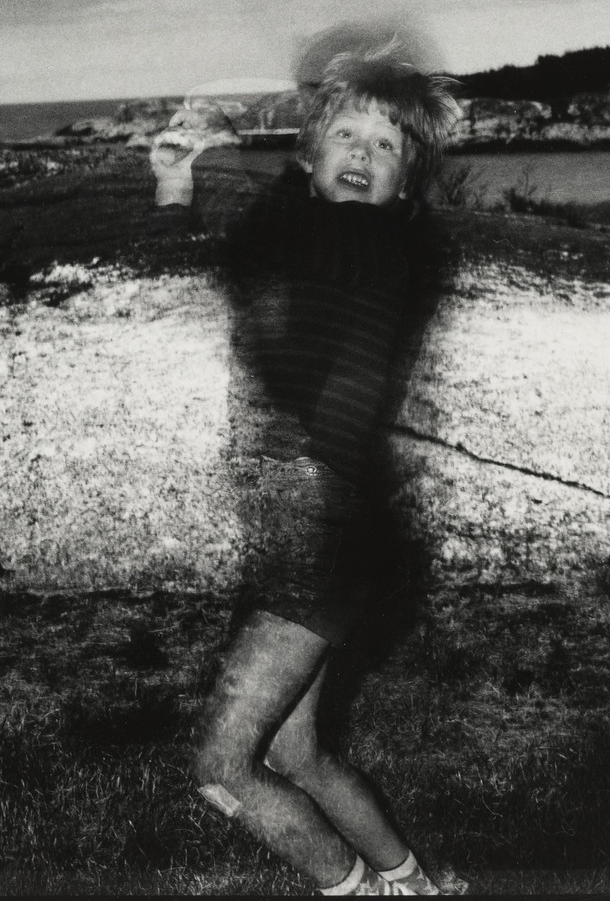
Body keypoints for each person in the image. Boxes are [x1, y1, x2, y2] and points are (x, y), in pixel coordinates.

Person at [149, 45, 465, 897]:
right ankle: (415, 889)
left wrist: (312, 448)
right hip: (309, 526)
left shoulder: (380, 251)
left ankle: (356, 892)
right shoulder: (297, 231)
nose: (363, 155)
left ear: (406, 179)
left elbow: (353, 362)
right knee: (298, 752)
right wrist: (178, 187)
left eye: (387, 145)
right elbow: (201, 288)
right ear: (310, 153)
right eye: (346, 135)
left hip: (322, 530)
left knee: (221, 766)